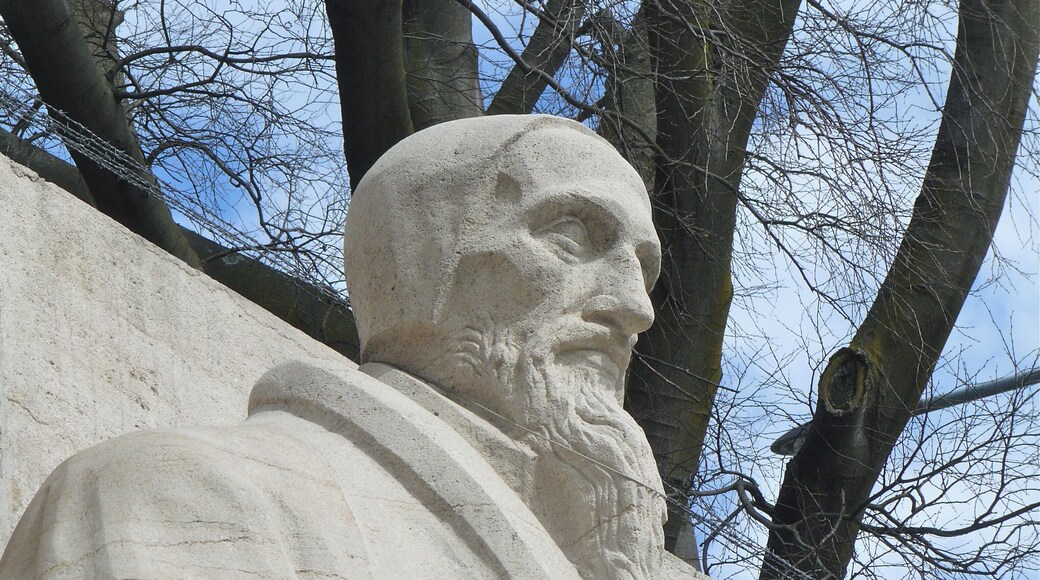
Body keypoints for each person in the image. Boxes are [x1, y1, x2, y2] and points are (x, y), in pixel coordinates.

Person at [0, 115, 701, 579]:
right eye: (574, 238)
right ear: (424, 255)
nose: (635, 310)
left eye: (644, 269)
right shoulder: (186, 497)